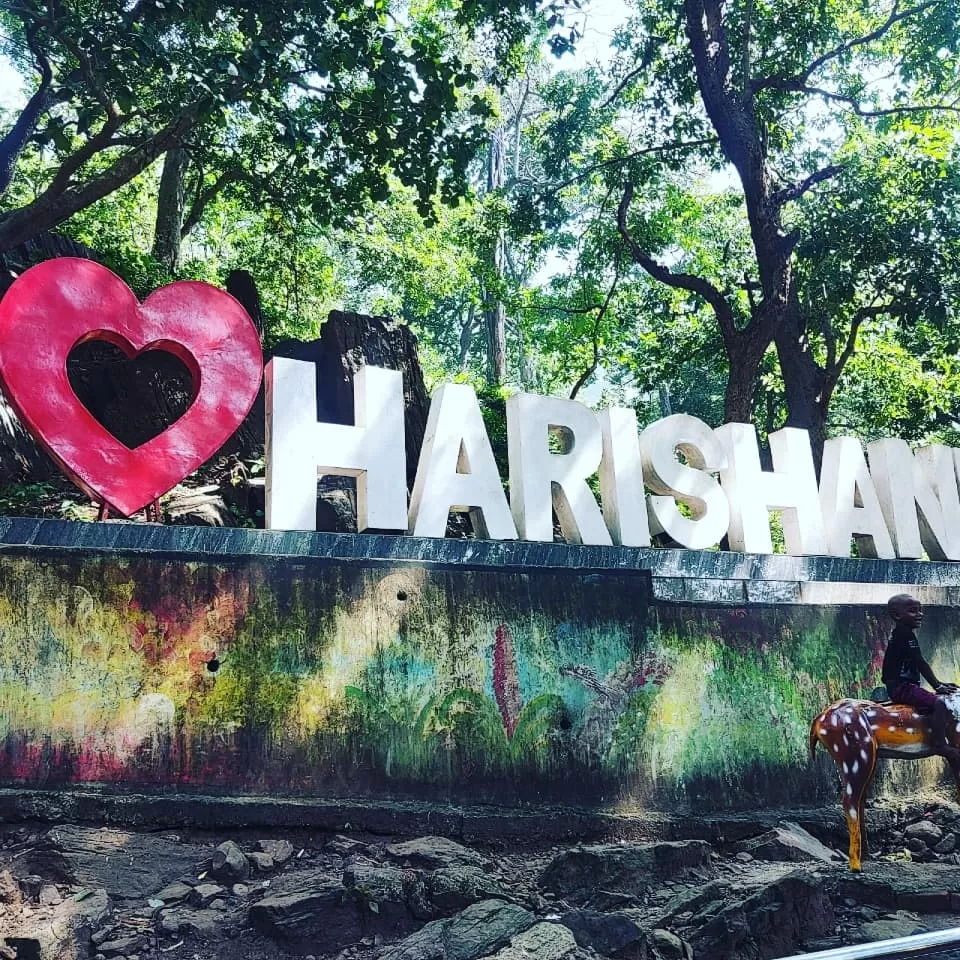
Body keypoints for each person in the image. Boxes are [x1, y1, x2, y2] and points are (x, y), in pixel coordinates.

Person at [881, 593, 960, 766]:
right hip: (901, 688)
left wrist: (939, 684)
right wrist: (937, 685)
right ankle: (940, 745)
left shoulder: (901, 633)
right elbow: (920, 662)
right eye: (913, 611)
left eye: (920, 610)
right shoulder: (905, 635)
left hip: (900, 685)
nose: (919, 614)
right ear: (897, 615)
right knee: (939, 703)